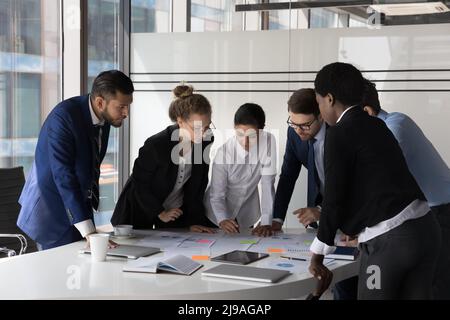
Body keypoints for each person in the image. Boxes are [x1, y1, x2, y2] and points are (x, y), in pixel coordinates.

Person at [309, 62, 441, 299]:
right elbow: (374, 183)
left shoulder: (339, 133)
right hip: (426, 229)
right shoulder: (377, 125)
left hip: (392, 242)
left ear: (329, 99)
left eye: (318, 102)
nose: (320, 110)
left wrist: (318, 254)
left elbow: (335, 196)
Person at [17, 70, 134, 250]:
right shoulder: (64, 117)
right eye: (121, 107)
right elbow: (63, 174)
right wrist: (88, 230)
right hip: (51, 213)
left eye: (128, 106)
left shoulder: (105, 117)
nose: (126, 113)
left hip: (78, 209)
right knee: (58, 274)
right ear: (100, 102)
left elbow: (90, 166)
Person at [362, 79, 450, 299]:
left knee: (435, 287)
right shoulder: (387, 127)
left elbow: (379, 180)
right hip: (426, 213)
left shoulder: (395, 125)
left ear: (367, 112)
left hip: (441, 211)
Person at [111, 85, 216, 233]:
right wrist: (160, 213)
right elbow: (140, 184)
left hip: (175, 210)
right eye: (196, 128)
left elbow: (198, 184)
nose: (203, 133)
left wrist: (193, 221)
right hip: (141, 208)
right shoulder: (156, 145)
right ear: (180, 121)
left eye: (206, 127)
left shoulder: (205, 139)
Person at [204, 103, 277, 237]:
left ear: (262, 130)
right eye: (240, 134)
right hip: (216, 216)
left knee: (245, 252)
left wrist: (266, 221)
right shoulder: (223, 154)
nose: (245, 141)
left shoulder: (268, 141)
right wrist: (222, 219)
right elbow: (217, 195)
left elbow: (267, 185)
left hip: (246, 214)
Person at [263, 88, 326, 236]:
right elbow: (288, 176)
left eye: (304, 125)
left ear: (321, 117)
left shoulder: (338, 133)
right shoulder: (293, 132)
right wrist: (277, 218)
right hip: (318, 219)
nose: (298, 130)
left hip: (347, 215)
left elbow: (350, 183)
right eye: (293, 123)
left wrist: (322, 210)